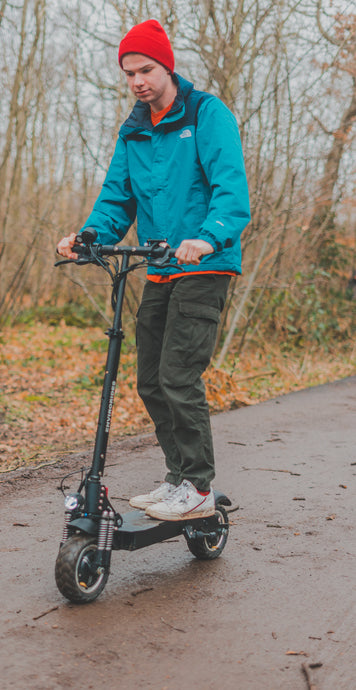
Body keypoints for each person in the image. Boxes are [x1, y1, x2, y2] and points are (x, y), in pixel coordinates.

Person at [57, 19, 250, 521]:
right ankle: (179, 478)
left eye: (146, 69)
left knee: (178, 376)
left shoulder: (206, 114)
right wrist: (89, 239)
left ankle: (200, 486)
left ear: (167, 65)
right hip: (161, 269)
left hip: (205, 265)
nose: (138, 81)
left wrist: (208, 237)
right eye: (129, 73)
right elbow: (116, 198)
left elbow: (231, 189)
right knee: (149, 380)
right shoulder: (133, 131)